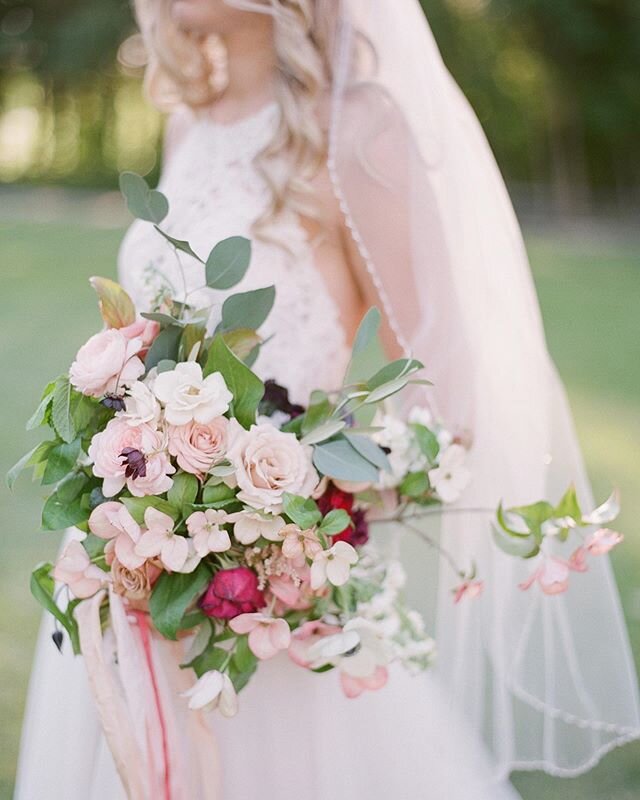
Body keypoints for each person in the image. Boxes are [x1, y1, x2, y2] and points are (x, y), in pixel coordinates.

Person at [15, 2, 640, 798]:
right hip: (135, 569)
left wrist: (287, 520)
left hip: (266, 601)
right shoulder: (189, 124)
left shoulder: (358, 128)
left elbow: (448, 391)